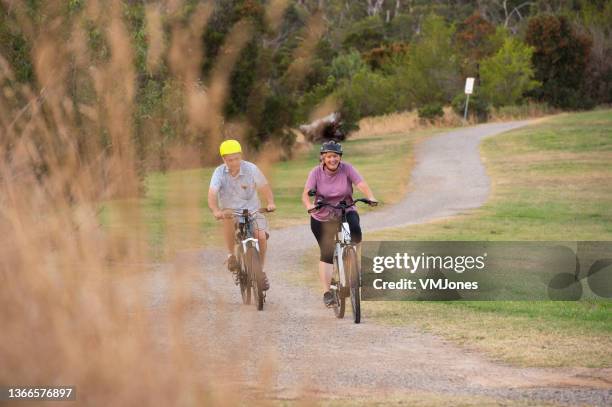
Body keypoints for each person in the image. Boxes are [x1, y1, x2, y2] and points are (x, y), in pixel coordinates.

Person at [302, 140, 377, 307]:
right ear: (323, 158)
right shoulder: (315, 173)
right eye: (328, 156)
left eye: (335, 156)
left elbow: (360, 183)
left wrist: (370, 196)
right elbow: (306, 194)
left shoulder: (347, 169)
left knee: (354, 235)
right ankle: (327, 292)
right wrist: (309, 206)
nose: (332, 159)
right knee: (327, 252)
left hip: (345, 211)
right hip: (322, 216)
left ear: (340, 157)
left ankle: (352, 265)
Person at [208, 139, 275, 290]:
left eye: (237, 158)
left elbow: (264, 187)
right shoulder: (219, 172)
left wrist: (270, 202)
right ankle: (231, 255)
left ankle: (261, 271)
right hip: (230, 212)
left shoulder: (251, 168)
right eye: (230, 160)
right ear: (224, 159)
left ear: (241, 156)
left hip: (252, 210)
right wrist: (216, 210)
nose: (234, 163)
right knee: (228, 221)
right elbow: (212, 194)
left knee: (261, 237)